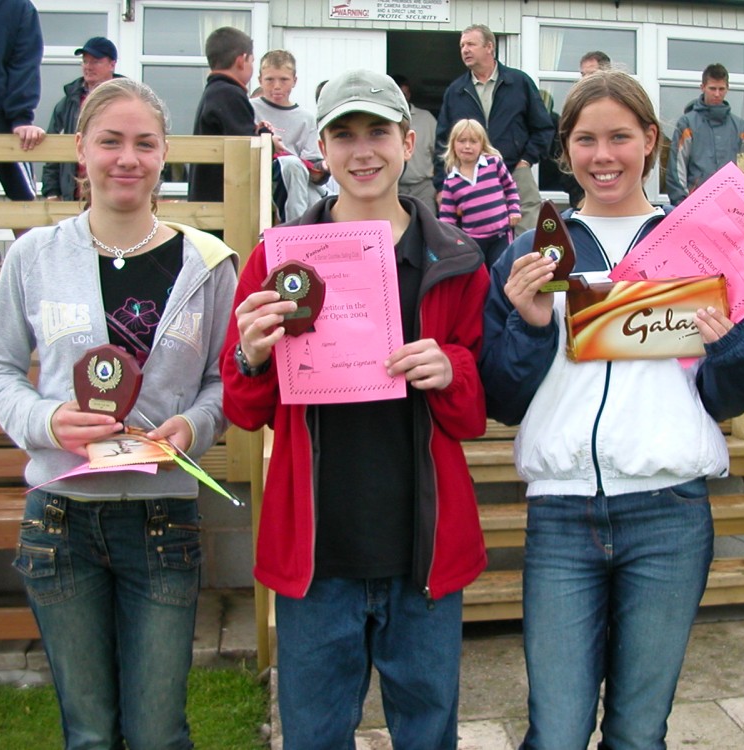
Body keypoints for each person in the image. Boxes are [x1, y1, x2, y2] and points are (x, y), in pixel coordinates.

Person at [481, 68, 744, 750]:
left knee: (639, 733)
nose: (602, 155)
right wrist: (525, 324)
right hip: (562, 513)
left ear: (650, 140)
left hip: (669, 514)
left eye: (619, 137)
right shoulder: (532, 251)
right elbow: (503, 400)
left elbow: (737, 392)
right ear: (565, 149)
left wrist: (725, 345)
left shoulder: (700, 244)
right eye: (585, 139)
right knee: (555, 730)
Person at [221, 69, 489, 749]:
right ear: (322, 148)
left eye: (378, 132)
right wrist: (253, 356)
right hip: (317, 561)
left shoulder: (457, 260)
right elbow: (244, 408)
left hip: (419, 558)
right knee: (313, 737)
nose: (362, 150)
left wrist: (450, 368)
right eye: (344, 134)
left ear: (408, 143)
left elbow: (474, 412)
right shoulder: (277, 261)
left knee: (429, 736)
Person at [0, 78, 237, 749]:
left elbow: (225, 381)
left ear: (164, 155)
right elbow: (0, 371)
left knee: (158, 735)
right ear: (80, 149)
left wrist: (193, 427)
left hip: (162, 522)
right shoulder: (32, 257)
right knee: (91, 736)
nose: (126, 158)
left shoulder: (209, 263)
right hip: (59, 525)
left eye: (143, 144)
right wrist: (47, 423)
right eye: (110, 141)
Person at [435, 24, 555, 233]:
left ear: (489, 47)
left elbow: (544, 127)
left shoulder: (519, 82)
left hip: (515, 170)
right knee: (480, 240)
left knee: (525, 237)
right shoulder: (456, 91)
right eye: (462, 45)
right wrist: (440, 184)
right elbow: (443, 141)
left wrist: (526, 160)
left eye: (471, 44)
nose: (465, 50)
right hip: (471, 175)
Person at [250, 49, 331, 222]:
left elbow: (313, 165)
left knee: (316, 196)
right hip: (259, 176)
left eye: (284, 80)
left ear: (294, 81)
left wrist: (324, 166)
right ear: (259, 81)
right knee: (290, 164)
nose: (277, 86)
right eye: (270, 80)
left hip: (299, 181)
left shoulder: (306, 118)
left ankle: (313, 236)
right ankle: (294, 230)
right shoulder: (249, 108)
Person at [42, 36, 121, 202]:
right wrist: (52, 192)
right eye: (85, 62)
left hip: (115, 195)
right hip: (74, 197)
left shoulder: (128, 101)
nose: (88, 67)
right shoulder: (67, 104)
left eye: (95, 62)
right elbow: (52, 150)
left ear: (112, 64)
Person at [189, 27, 260, 205]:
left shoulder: (213, 91)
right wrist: (267, 138)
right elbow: (246, 149)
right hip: (223, 203)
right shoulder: (230, 94)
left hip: (204, 199)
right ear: (241, 61)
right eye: (251, 61)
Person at [439, 118, 520, 269]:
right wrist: (453, 242)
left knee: (502, 272)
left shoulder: (494, 164)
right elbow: (447, 219)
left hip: (500, 235)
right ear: (453, 144)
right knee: (480, 278)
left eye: (473, 141)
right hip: (473, 241)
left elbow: (510, 187)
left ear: (482, 144)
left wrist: (514, 211)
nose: (467, 146)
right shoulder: (451, 182)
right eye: (462, 141)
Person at [666, 63, 744, 206]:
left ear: (727, 89)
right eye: (712, 88)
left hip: (731, 205)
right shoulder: (687, 124)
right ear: (703, 87)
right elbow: (676, 168)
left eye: (721, 89)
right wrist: (683, 205)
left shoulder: (741, 127)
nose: (717, 94)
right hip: (695, 205)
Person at [0, 0, 44, 202]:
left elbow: (24, 62)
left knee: (25, 202)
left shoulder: (17, 7)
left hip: (2, 123)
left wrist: (21, 118)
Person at [393, 74, 438, 213]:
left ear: (409, 95)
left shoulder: (427, 119)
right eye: (398, 95)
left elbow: (441, 154)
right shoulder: (385, 122)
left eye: (405, 95)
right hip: (395, 188)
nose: (402, 100)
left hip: (424, 187)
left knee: (429, 229)